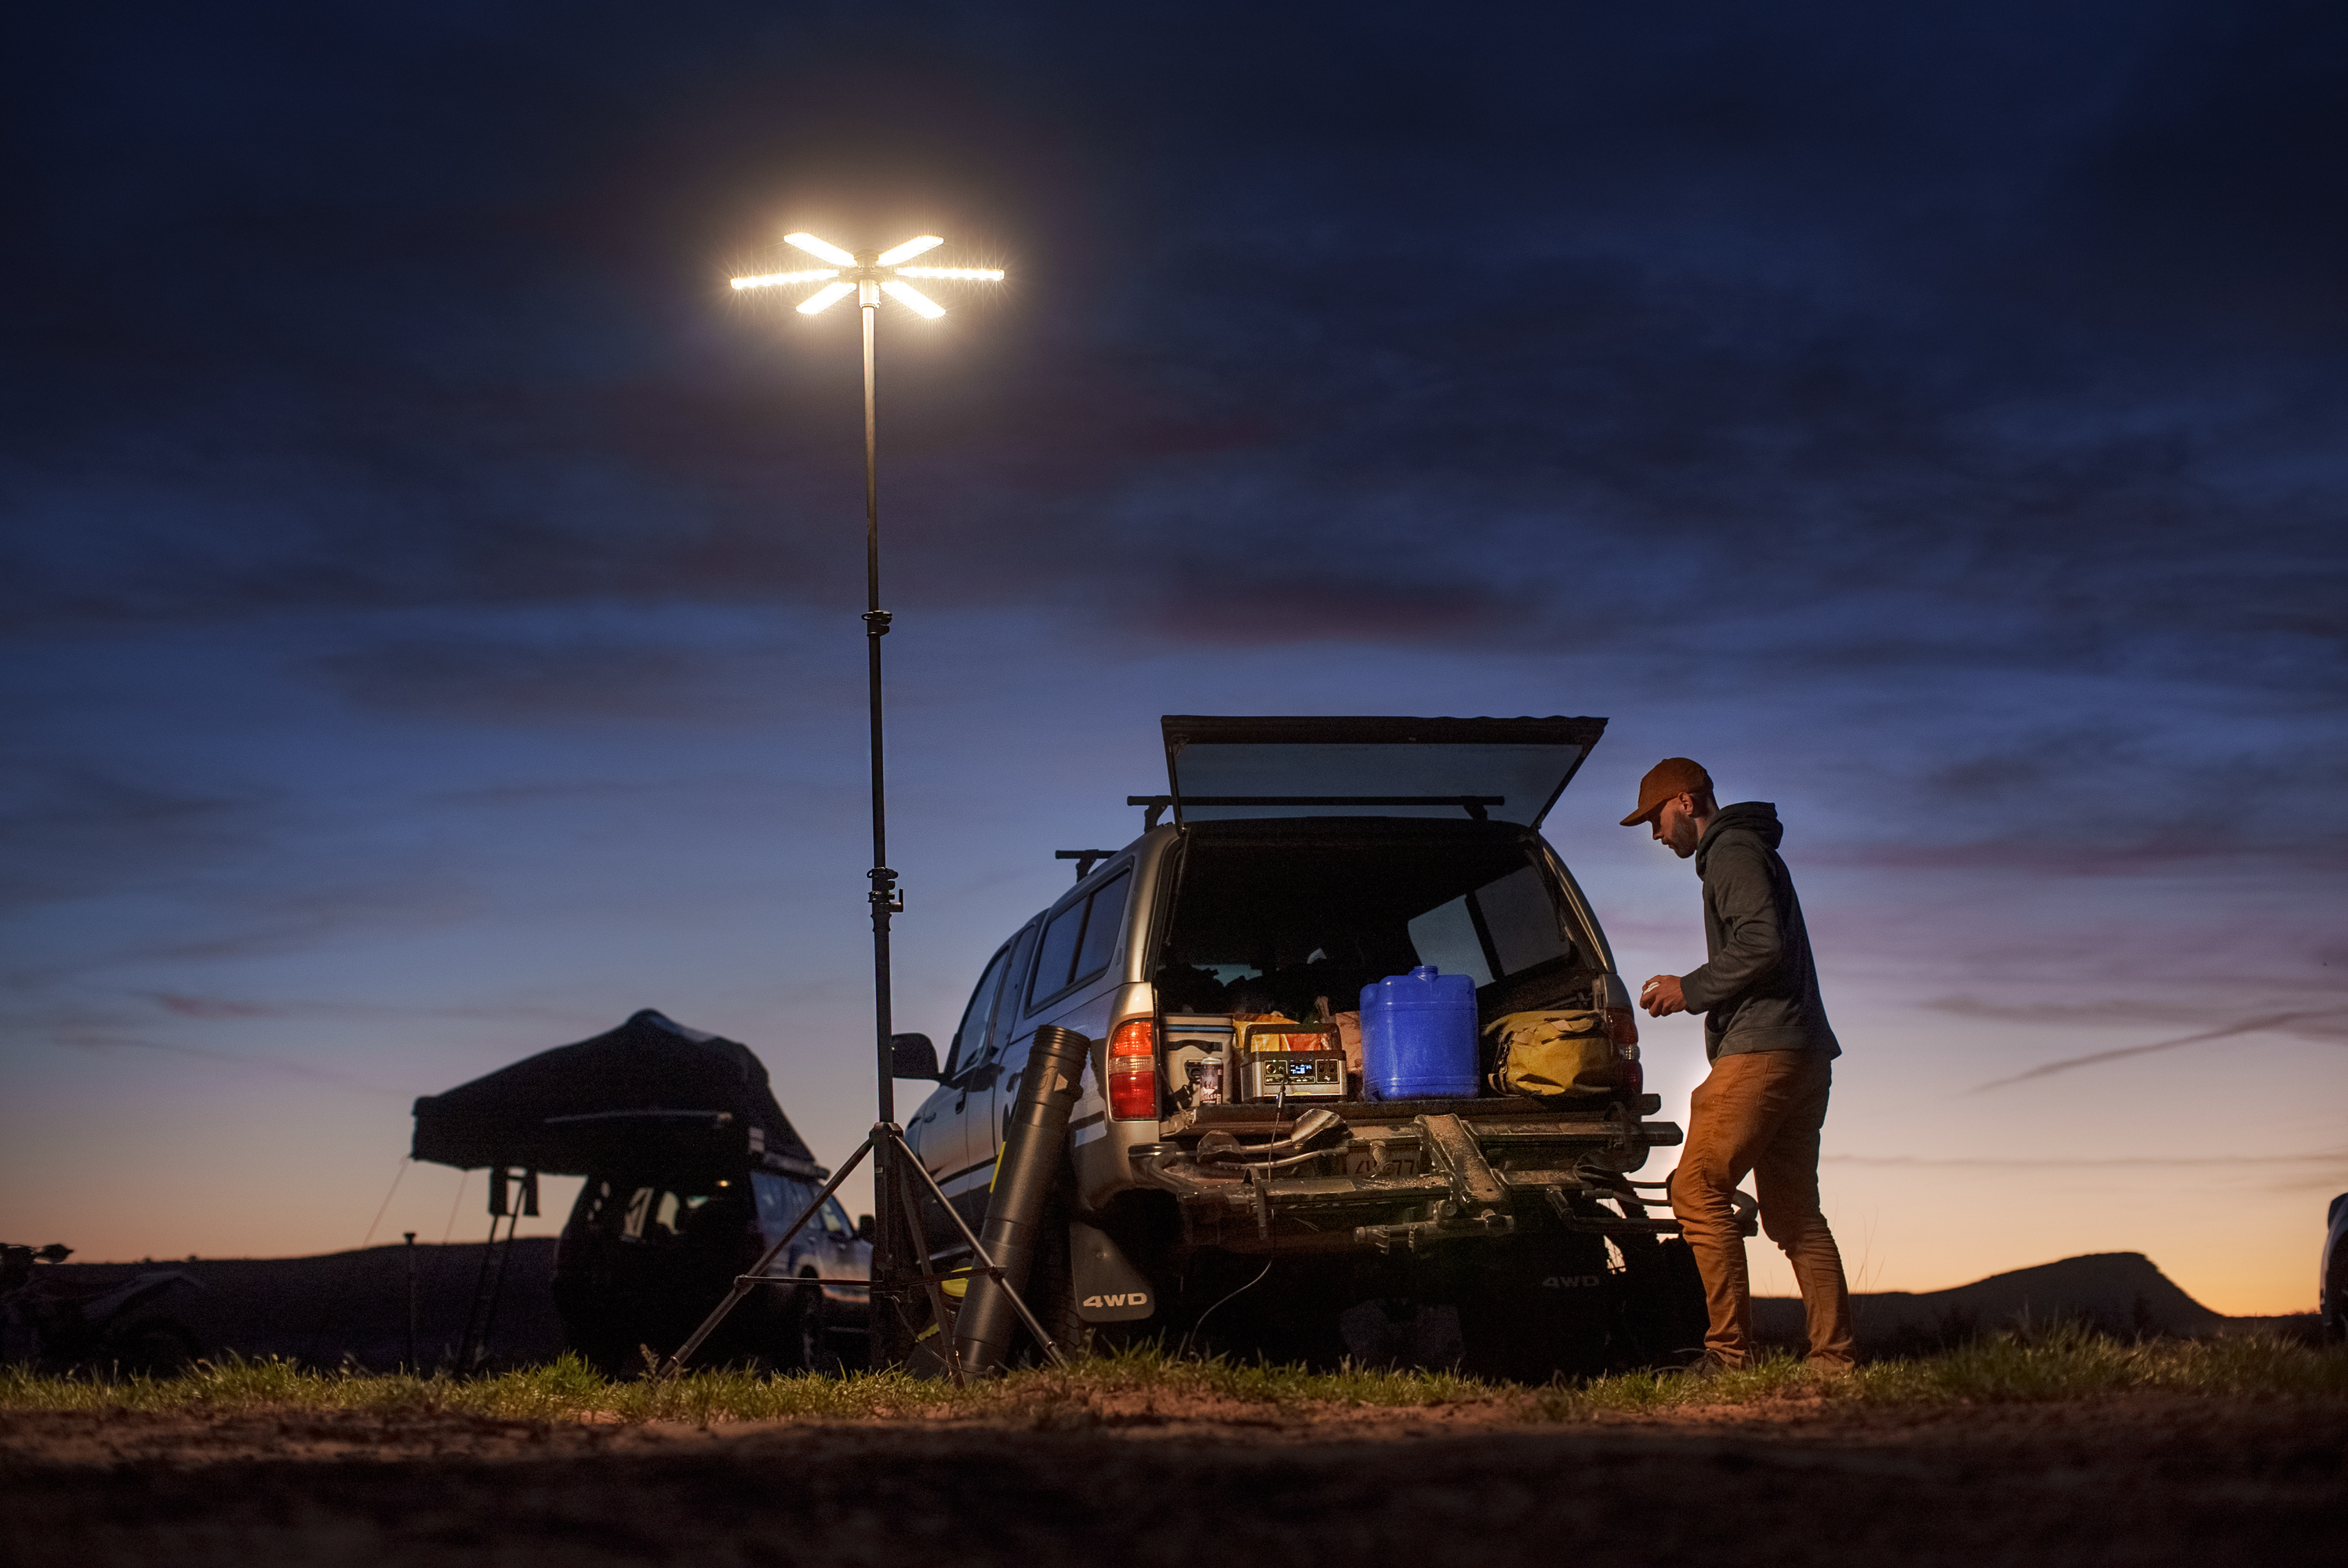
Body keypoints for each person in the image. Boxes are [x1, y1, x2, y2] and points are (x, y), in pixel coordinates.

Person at [1623, 757, 1855, 1373]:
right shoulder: (1749, 852)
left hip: (1762, 1052)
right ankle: (1833, 1359)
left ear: (1687, 802)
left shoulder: (1732, 854)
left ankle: (1727, 1356)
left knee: (1696, 1190)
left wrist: (1689, 988)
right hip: (1804, 1053)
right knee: (1795, 1214)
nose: (1655, 834)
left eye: (1656, 818)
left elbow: (1762, 943)